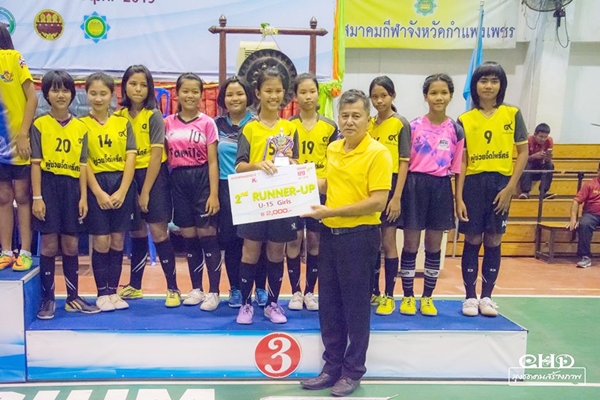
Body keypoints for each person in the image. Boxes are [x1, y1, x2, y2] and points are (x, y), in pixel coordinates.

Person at [300, 89, 392, 397]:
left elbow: (377, 201)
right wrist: (291, 181)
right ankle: (331, 368)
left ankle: (353, 372)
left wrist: (331, 212)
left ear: (368, 119)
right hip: (330, 236)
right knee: (329, 306)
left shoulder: (378, 153)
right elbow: (329, 184)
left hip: (359, 238)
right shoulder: (334, 148)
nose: (350, 121)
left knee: (356, 308)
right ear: (338, 118)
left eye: (356, 116)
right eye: (345, 115)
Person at [456, 61, 528, 317]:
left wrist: (510, 188)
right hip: (474, 184)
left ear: (501, 85)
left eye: (494, 81)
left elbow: (523, 152)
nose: (488, 86)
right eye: (483, 81)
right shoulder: (464, 119)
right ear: (475, 85)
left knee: (494, 239)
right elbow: (462, 160)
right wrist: (458, 197)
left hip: (501, 184)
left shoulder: (512, 113)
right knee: (473, 239)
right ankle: (469, 297)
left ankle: (487, 296)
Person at [31, 70, 100, 319]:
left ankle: (73, 297)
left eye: (65, 90)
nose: (60, 95)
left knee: (71, 244)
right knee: (49, 243)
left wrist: (83, 197)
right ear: (46, 94)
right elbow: (35, 164)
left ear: (72, 94)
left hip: (72, 188)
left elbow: (83, 165)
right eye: (55, 90)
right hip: (48, 186)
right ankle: (48, 299)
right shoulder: (39, 124)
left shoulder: (81, 127)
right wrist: (37, 197)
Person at [234, 68, 299, 325]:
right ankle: (245, 304)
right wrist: (257, 165)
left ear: (285, 94)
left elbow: (294, 162)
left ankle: (273, 304)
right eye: (268, 90)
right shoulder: (249, 128)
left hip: (281, 200)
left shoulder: (289, 128)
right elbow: (239, 166)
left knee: (276, 252)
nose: (274, 96)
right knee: (250, 252)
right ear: (258, 93)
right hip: (255, 201)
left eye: (278, 91)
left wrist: (292, 163)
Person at [398, 74, 464, 317]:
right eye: (433, 93)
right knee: (410, 244)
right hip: (414, 186)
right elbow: (404, 162)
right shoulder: (413, 126)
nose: (439, 97)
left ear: (451, 96)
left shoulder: (456, 130)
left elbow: (458, 167)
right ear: (425, 96)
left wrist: (458, 199)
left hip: (441, 187)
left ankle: (427, 297)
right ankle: (407, 296)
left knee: (434, 245)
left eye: (444, 92)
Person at [115, 65, 179, 307]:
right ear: (124, 87)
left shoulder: (154, 116)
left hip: (153, 177)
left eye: (143, 85)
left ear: (150, 89)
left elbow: (156, 156)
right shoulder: (118, 117)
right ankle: (135, 285)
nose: (138, 89)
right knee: (137, 231)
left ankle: (173, 288)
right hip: (128, 176)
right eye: (133, 84)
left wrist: (145, 192)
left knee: (159, 232)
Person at [165, 73, 221, 311]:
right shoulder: (168, 123)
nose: (190, 95)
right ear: (177, 93)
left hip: (202, 179)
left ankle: (214, 291)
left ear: (201, 95)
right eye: (185, 91)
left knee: (207, 236)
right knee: (189, 237)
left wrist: (214, 194)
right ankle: (196, 288)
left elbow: (213, 162)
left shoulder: (207, 123)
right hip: (178, 180)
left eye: (195, 91)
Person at [81, 72, 137, 312]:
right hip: (97, 185)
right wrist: (97, 192)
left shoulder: (123, 123)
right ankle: (101, 292)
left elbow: (131, 157)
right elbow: (83, 162)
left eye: (103, 93)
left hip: (121, 184)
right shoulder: (81, 125)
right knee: (101, 241)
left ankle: (113, 291)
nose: (98, 98)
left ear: (112, 95)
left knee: (117, 239)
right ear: (86, 95)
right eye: (93, 93)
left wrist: (123, 190)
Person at [286, 73, 338, 311]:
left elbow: (336, 160)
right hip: (295, 192)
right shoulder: (288, 127)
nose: (308, 96)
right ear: (295, 97)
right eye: (303, 92)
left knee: (315, 241)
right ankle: (295, 292)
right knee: (294, 240)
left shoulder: (330, 126)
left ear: (318, 94)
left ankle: (310, 292)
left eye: (312, 91)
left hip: (320, 191)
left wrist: (325, 183)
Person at [367, 76, 410, 316]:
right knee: (373, 243)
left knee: (388, 242)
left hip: (392, 185)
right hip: (370, 185)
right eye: (375, 96)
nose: (379, 101)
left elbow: (404, 162)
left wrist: (397, 197)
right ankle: (373, 290)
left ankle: (389, 295)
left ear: (392, 96)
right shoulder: (369, 123)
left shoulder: (400, 123)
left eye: (383, 95)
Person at [0, 25, 37, 271]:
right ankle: (5, 251)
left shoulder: (13, 58)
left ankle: (25, 251)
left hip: (18, 141)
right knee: (3, 197)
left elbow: (32, 97)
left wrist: (23, 133)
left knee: (22, 195)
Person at [566, 161, 600, 268]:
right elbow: (576, 201)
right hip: (592, 215)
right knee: (584, 224)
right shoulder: (590, 184)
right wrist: (573, 219)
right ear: (598, 171)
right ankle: (585, 257)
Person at [519, 123, 555, 200]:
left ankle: (543, 192)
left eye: (545, 137)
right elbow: (522, 159)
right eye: (541, 136)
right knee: (525, 164)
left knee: (550, 165)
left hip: (540, 166)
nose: (543, 139)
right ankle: (525, 192)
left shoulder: (549, 141)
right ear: (535, 134)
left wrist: (548, 157)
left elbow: (548, 161)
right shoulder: (528, 141)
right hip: (529, 168)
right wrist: (534, 156)